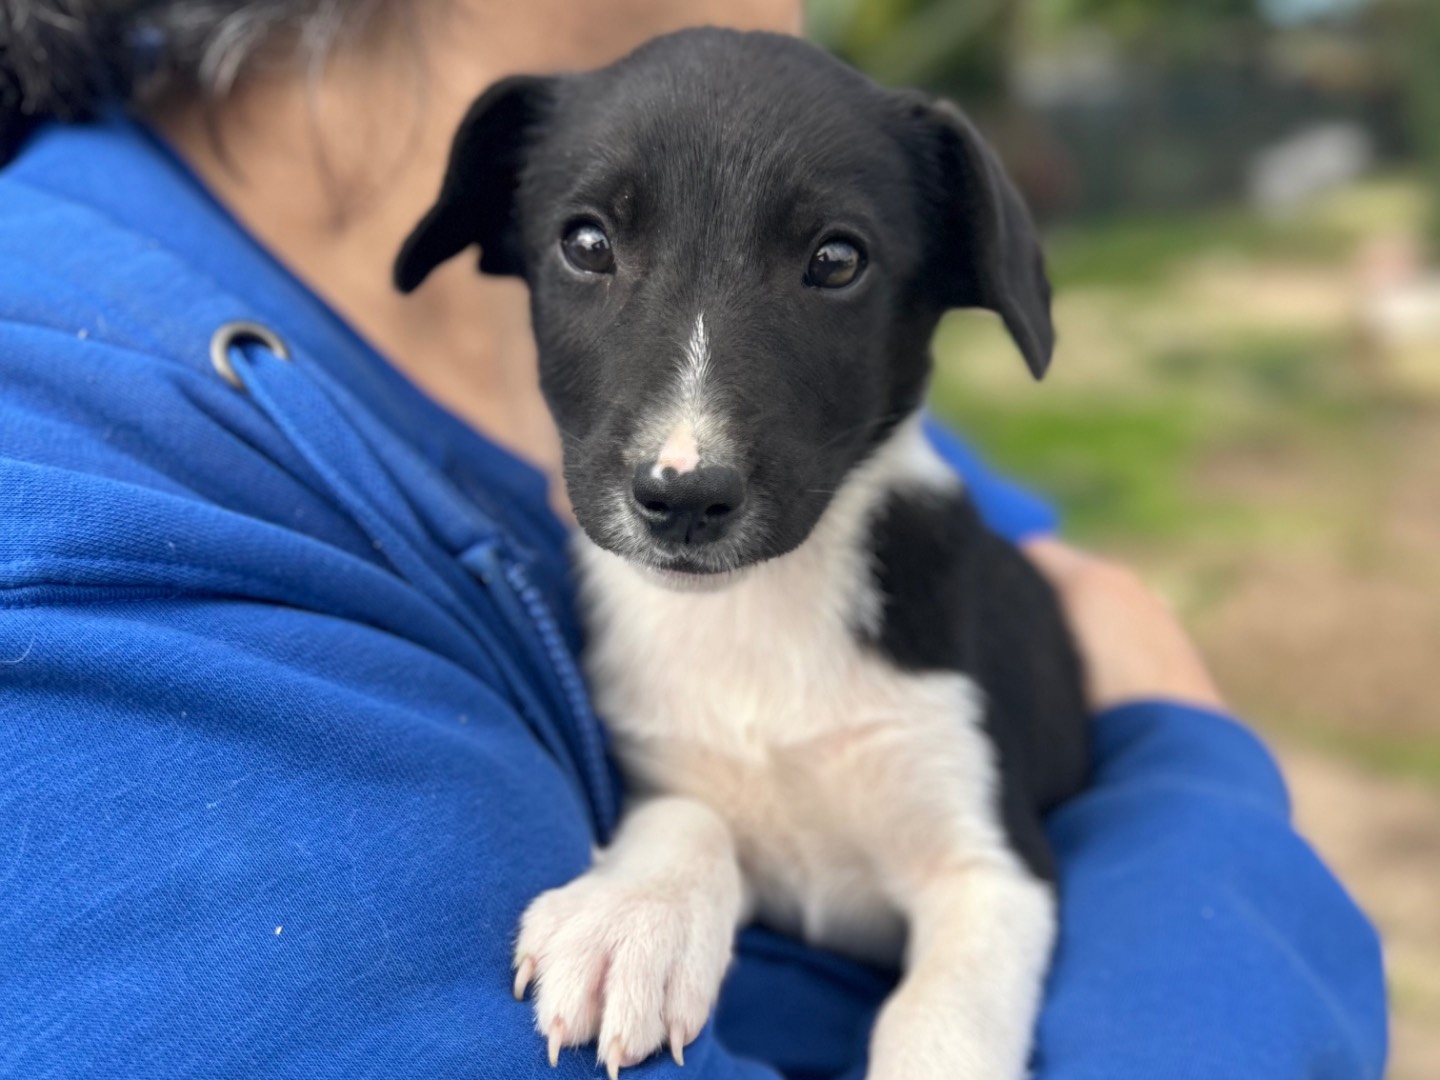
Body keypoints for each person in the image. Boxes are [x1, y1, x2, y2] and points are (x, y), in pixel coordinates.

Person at [0, 2, 1386, 1077]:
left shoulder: (911, 491)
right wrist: (1188, 760)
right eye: (594, 245)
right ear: (511, 228)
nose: (685, 459)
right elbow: (705, 785)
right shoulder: (78, 499)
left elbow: (976, 862)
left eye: (831, 264)